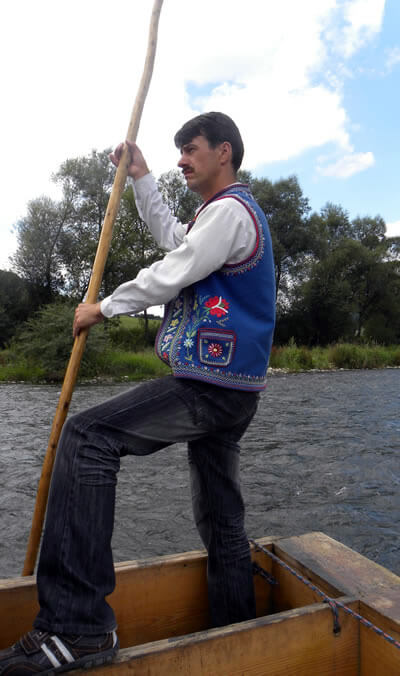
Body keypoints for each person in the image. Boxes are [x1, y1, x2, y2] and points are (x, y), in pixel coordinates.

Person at [0, 112, 275, 674]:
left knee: (89, 435)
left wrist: (104, 307)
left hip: (210, 386)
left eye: (190, 149)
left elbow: (175, 268)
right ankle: (238, 636)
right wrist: (142, 177)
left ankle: (78, 629)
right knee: (222, 520)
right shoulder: (220, 217)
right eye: (176, 152)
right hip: (233, 390)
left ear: (223, 152)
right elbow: (176, 238)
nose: (182, 160)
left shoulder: (228, 212)